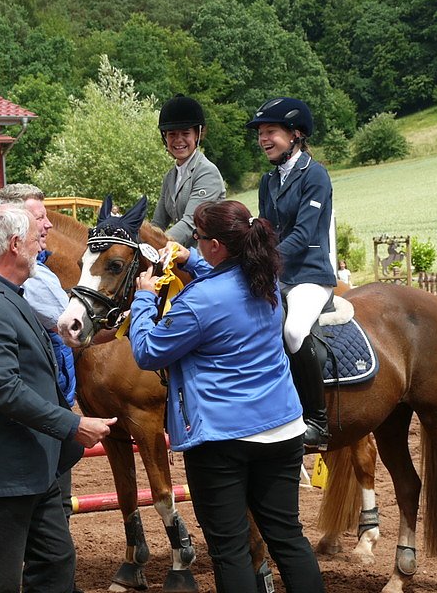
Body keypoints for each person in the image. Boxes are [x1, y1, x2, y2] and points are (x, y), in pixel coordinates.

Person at [129, 200, 325, 593]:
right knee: (287, 537)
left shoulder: (198, 304)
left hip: (222, 440)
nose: (197, 245)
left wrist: (144, 298)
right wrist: (191, 259)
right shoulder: (265, 278)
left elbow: (148, 352)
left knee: (230, 549)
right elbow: (224, 283)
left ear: (216, 245)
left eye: (199, 240)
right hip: (283, 429)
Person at [0, 202, 117, 592]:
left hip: (32, 468)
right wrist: (72, 424)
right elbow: (5, 390)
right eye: (33, 237)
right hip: (3, 472)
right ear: (12, 245)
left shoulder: (7, 294)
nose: (42, 244)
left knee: (56, 563)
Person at [0, 183, 83, 591]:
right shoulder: (16, 282)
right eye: (39, 218)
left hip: (55, 406)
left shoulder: (40, 270)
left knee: (55, 528)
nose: (48, 224)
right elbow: (70, 329)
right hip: (37, 420)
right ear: (14, 230)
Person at [246, 97, 337, 451]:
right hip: (278, 273)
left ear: (295, 134)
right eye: (261, 134)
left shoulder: (315, 174)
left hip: (311, 275)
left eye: (271, 132)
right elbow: (267, 228)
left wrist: (265, 259)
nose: (263, 139)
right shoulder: (268, 181)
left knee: (294, 331)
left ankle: (317, 421)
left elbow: (303, 233)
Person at [152, 94, 226, 248]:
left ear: (197, 134)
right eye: (172, 134)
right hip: (180, 256)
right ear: (165, 138)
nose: (178, 140)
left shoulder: (207, 172)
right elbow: (158, 223)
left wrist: (156, 245)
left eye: (185, 134)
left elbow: (191, 222)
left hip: (206, 259)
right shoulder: (170, 177)